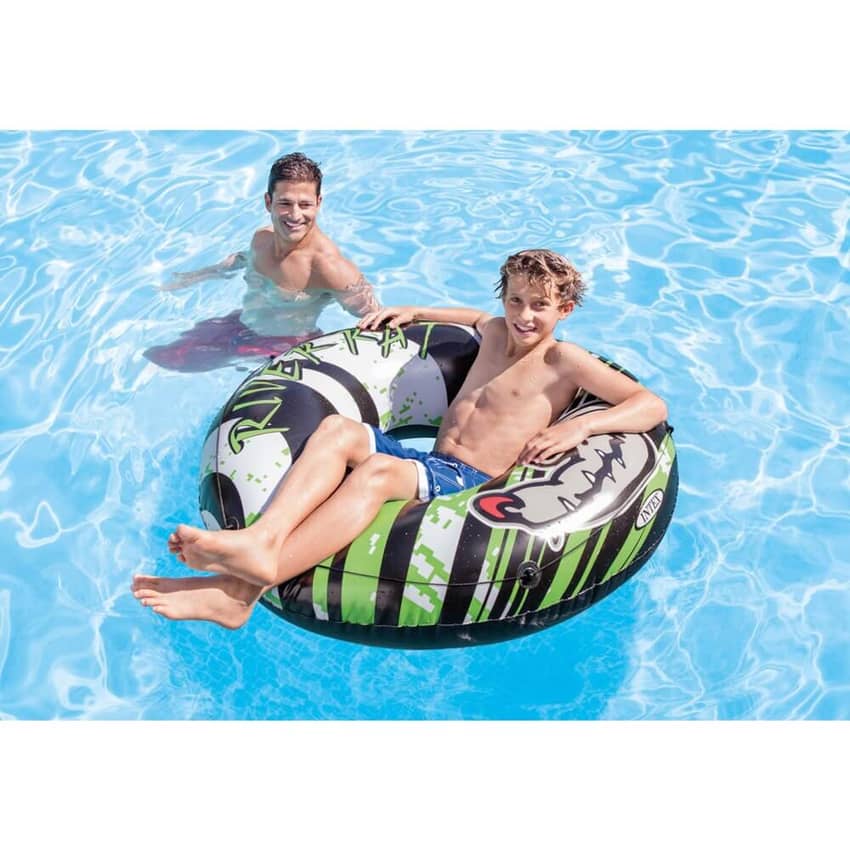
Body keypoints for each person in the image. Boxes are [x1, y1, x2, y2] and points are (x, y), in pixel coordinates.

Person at [132, 249, 669, 628]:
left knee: (378, 473)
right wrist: (417, 312)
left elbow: (650, 405)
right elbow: (473, 317)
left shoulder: (563, 359)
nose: (524, 316)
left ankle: (247, 587)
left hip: (472, 483)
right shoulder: (495, 331)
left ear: (564, 310)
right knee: (339, 429)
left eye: (539, 306)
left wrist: (580, 426)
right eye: (516, 301)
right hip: (435, 461)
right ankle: (262, 541)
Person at [143, 152, 380, 371]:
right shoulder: (262, 239)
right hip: (239, 324)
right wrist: (199, 275)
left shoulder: (329, 267)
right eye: (285, 203)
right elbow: (242, 259)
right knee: (164, 358)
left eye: (305, 204)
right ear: (268, 202)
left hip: (285, 348)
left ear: (318, 203)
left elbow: (375, 317)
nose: (295, 215)